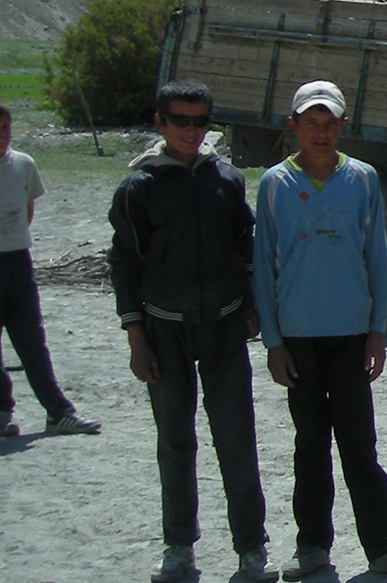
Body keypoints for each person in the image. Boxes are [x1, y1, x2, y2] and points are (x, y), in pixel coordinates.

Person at [252, 81, 387, 581]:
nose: (321, 131)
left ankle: (385, 549)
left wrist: (377, 331)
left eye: (330, 122)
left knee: (359, 444)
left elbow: (377, 258)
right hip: (298, 338)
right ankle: (312, 546)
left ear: (343, 127)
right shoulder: (273, 184)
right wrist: (273, 342)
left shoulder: (362, 179)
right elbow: (263, 267)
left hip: (351, 334)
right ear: (293, 126)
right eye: (311, 122)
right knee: (309, 444)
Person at [107, 81, 270, 583]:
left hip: (222, 328)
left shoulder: (226, 181)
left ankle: (251, 550)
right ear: (160, 123)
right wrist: (137, 339)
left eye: (201, 121)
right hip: (164, 331)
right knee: (175, 442)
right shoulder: (140, 188)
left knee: (237, 439)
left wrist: (251, 305)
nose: (191, 131)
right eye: (181, 120)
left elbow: (244, 245)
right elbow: (126, 265)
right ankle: (179, 547)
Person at [0, 102, 101, 440]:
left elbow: (27, 210)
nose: (0, 136)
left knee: (32, 341)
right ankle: (0, 412)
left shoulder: (23, 164)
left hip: (18, 262)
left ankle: (58, 412)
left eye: (5, 128)